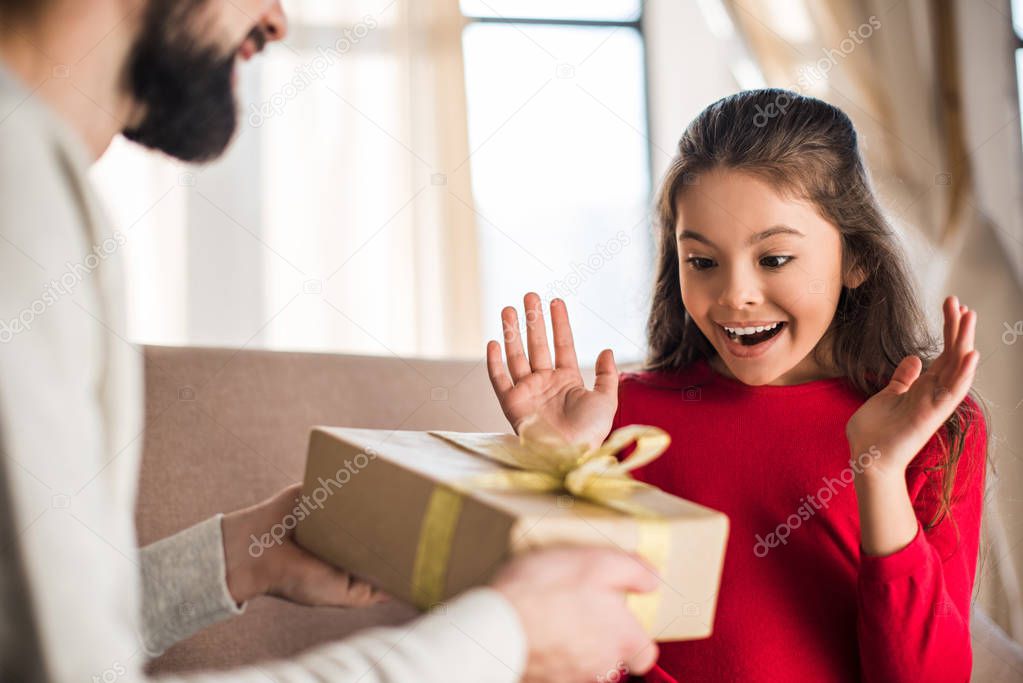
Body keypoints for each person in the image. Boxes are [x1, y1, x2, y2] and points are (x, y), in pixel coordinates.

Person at [0, 1, 661, 681]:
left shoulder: (34, 179)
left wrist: (241, 557)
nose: (276, 21)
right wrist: (501, 642)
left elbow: (32, 639)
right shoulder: (19, 196)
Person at [486, 90, 988, 682]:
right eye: (702, 261)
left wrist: (877, 471)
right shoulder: (621, 419)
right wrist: (558, 468)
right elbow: (546, 646)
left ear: (857, 259)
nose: (734, 295)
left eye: (773, 259)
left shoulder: (929, 426)